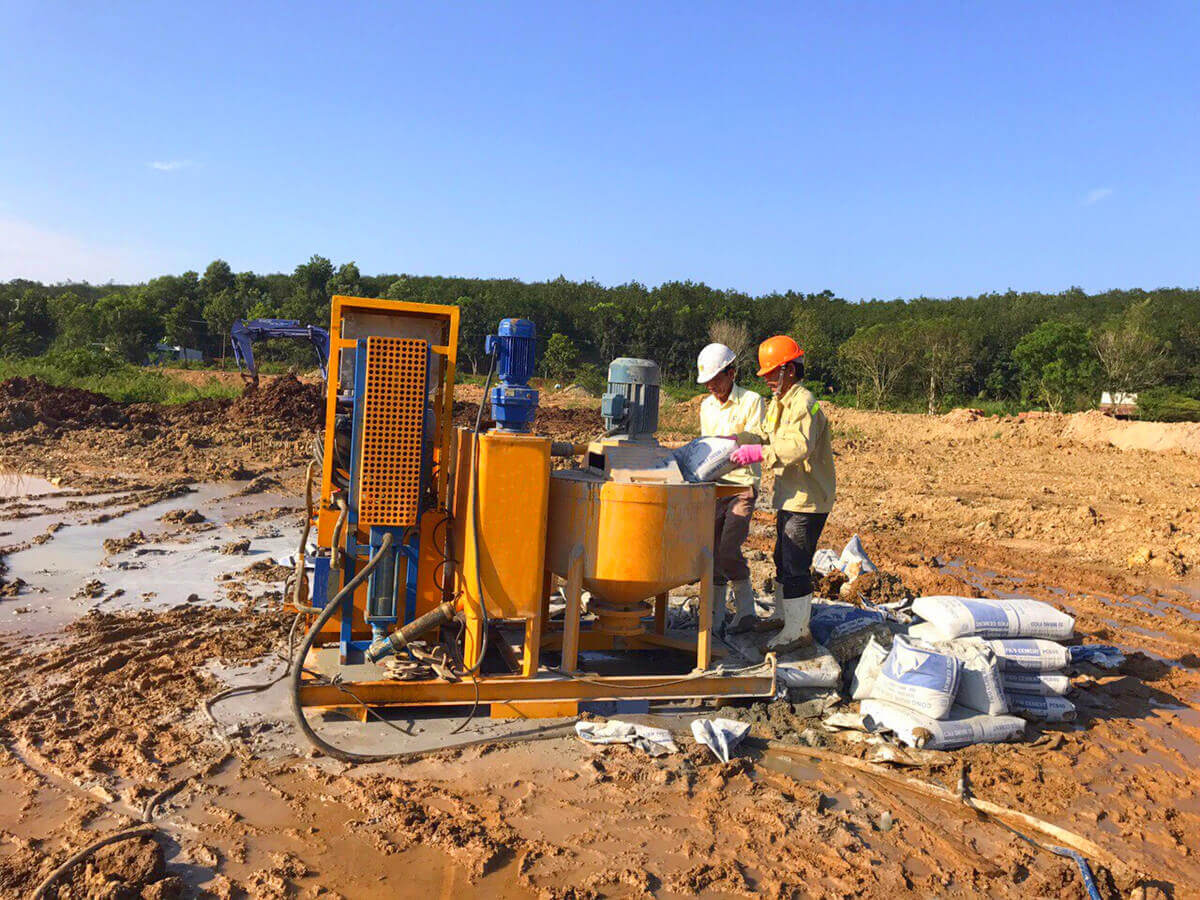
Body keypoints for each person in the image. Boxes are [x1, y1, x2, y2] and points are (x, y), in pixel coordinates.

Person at [727, 335, 835, 652]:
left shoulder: (805, 403)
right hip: (791, 496)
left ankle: (797, 630)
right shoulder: (781, 403)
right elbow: (767, 433)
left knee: (795, 564)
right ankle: (783, 616)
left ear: (788, 370)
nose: (768, 381)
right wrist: (737, 437)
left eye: (772, 374)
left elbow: (797, 447)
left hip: (808, 499)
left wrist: (757, 454)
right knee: (781, 557)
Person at [696, 342, 765, 634]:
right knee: (710, 551)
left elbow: (760, 439)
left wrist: (735, 440)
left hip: (741, 486)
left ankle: (746, 610)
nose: (712, 386)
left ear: (731, 373)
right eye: (707, 381)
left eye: (716, 379)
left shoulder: (751, 401)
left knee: (727, 549)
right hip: (715, 486)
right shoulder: (706, 406)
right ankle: (715, 615)